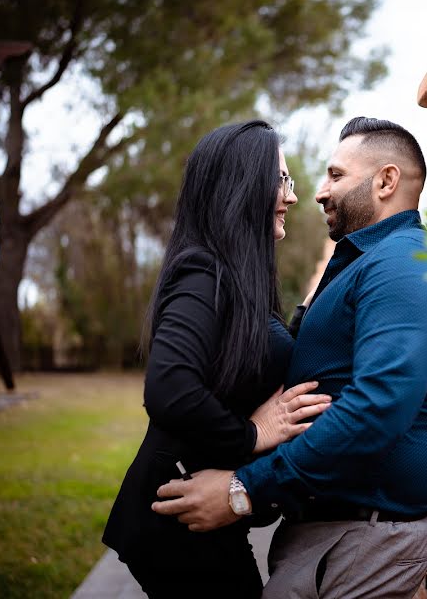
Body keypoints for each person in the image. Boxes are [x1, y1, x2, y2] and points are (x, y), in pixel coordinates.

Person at [153, 117, 427, 598]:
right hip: (331, 536)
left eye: (337, 176)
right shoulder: (371, 261)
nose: (320, 192)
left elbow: (378, 407)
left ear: (385, 181)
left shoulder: (406, 263)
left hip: (362, 539)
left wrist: (245, 490)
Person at [102, 120, 333, 598]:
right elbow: (169, 388)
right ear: (244, 187)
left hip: (200, 520)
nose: (291, 196)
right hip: (178, 512)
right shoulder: (203, 273)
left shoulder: (234, 279)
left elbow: (255, 357)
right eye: (282, 180)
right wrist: (253, 434)